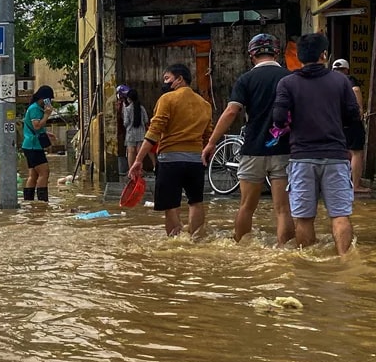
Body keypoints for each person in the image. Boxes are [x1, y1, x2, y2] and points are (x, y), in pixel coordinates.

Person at [272, 33, 363, 256]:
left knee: (303, 218)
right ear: (324, 55)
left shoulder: (287, 83)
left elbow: (278, 119)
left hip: (302, 157)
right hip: (335, 156)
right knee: (340, 215)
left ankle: (308, 268)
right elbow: (353, 116)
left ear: (299, 57)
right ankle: (344, 262)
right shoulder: (341, 81)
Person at [202, 33, 294, 245]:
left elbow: (231, 112)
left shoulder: (246, 80)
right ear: (276, 53)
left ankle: (241, 250)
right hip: (283, 150)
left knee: (246, 206)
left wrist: (211, 142)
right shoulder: (289, 78)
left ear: (251, 55)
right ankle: (285, 253)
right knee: (283, 209)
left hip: (253, 149)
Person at [128, 63, 213, 237]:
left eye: (167, 78)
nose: (165, 82)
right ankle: (196, 241)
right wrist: (204, 157)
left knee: (170, 205)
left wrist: (138, 160)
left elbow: (153, 133)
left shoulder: (167, 99)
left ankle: (175, 243)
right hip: (195, 161)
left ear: (179, 79)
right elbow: (208, 137)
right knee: (196, 202)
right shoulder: (204, 104)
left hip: (170, 161)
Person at [331, 58, 370, 193]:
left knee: (341, 152)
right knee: (356, 153)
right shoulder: (349, 79)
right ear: (346, 69)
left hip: (335, 122)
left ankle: (340, 184)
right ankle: (356, 185)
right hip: (351, 122)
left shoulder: (329, 81)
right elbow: (356, 90)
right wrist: (360, 109)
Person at [21, 85, 55, 202]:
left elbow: (36, 127)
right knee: (44, 172)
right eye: (48, 100)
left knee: (34, 175)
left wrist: (47, 133)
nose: (49, 102)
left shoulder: (35, 108)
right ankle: (42, 202)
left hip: (30, 145)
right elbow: (36, 126)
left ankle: (29, 201)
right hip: (33, 146)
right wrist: (47, 115)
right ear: (43, 98)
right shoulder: (35, 109)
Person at [119, 85, 156, 173]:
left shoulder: (127, 109)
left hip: (130, 134)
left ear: (129, 99)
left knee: (131, 152)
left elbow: (126, 123)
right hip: (141, 133)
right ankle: (139, 172)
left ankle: (131, 171)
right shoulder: (141, 108)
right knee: (139, 153)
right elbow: (146, 120)